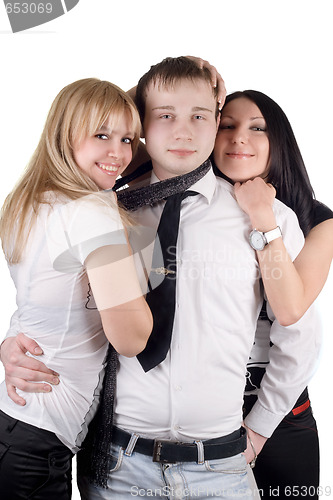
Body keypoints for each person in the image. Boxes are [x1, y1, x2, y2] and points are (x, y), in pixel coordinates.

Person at [0, 58, 320, 499]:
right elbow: (59, 297)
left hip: (221, 463)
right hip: (118, 465)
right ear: (145, 127)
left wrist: (261, 428)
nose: (183, 132)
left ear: (215, 123)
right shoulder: (107, 211)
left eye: (201, 117)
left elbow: (299, 332)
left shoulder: (263, 214)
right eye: (165, 116)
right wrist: (15, 339)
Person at [0, 78, 153, 499]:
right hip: (37, 440)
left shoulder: (29, 201)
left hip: (18, 423)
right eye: (101, 135)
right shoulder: (91, 211)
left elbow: (39, 307)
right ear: (65, 133)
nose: (120, 154)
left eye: (127, 138)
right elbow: (132, 338)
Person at [212, 89, 333, 499]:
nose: (238, 137)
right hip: (206, 411)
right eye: (225, 125)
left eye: (257, 127)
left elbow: (294, 320)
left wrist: (259, 428)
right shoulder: (185, 206)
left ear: (277, 140)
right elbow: (121, 142)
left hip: (282, 414)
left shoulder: (314, 222)